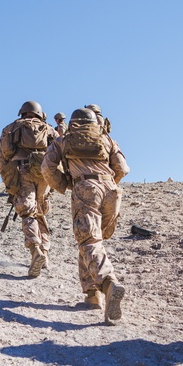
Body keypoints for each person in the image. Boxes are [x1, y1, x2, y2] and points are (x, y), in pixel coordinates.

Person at [42, 107, 130, 324]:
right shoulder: (106, 139)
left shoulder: (63, 140)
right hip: (111, 191)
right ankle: (92, 297)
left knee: (88, 241)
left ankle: (108, 283)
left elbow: (47, 167)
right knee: (89, 242)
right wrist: (108, 183)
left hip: (85, 189)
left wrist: (65, 185)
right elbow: (123, 168)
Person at [0, 101, 57, 277]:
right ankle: (44, 253)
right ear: (39, 113)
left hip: (23, 171)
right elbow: (57, 155)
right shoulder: (49, 129)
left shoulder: (12, 128)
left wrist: (8, 180)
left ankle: (35, 250)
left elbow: (4, 155)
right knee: (40, 211)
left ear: (22, 112)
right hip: (45, 174)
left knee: (27, 212)